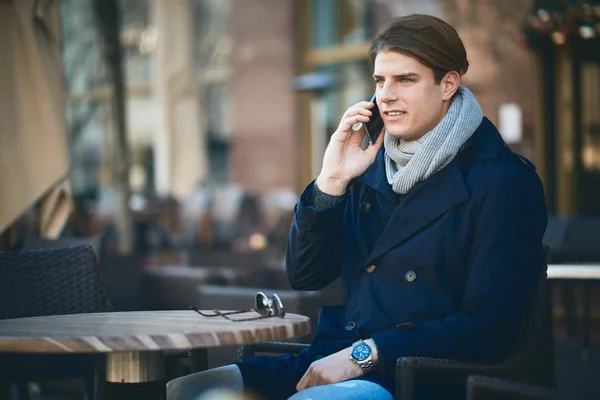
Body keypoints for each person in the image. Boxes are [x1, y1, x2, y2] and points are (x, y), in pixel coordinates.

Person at [167, 14, 547, 400]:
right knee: (191, 388)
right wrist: (330, 182)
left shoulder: (502, 181)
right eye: (380, 81)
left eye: (406, 80)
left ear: (448, 84)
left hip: (421, 375)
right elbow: (305, 275)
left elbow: (491, 327)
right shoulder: (369, 167)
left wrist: (367, 353)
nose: (386, 95)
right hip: (334, 356)